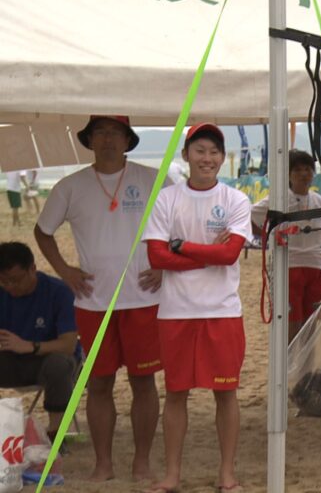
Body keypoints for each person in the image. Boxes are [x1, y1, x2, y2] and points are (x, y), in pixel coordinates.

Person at [34, 115, 166, 482]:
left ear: (128, 139)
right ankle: (103, 463)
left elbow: (180, 225)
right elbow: (43, 232)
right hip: (93, 301)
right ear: (89, 140)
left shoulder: (153, 179)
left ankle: (142, 462)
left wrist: (164, 267)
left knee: (144, 382)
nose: (107, 139)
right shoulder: (70, 186)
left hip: (143, 299)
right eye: (100, 133)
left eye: (115, 133)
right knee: (100, 383)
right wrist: (65, 271)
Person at [143, 123, 251, 493]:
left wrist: (181, 246)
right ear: (186, 154)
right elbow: (156, 255)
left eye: (214, 152)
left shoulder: (235, 200)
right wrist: (206, 256)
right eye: (200, 150)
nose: (207, 158)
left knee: (226, 393)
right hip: (175, 312)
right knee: (175, 393)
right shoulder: (166, 199)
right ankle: (172, 474)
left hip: (221, 312)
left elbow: (230, 253)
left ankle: (227, 475)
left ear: (222, 158)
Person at [0, 242, 78, 443]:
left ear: (32, 269)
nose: (9, 286)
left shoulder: (58, 292)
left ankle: (55, 435)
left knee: (59, 364)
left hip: (47, 361)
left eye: (15, 280)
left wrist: (30, 346)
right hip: (10, 360)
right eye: (3, 281)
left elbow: (68, 345)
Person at [251, 149, 321, 341]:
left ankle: (307, 365)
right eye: (298, 170)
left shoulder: (318, 200)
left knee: (314, 321)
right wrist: (268, 235)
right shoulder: (278, 199)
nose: (304, 174)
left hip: (315, 265)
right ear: (288, 174)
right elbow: (251, 216)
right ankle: (289, 365)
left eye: (308, 169)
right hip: (289, 265)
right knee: (290, 321)